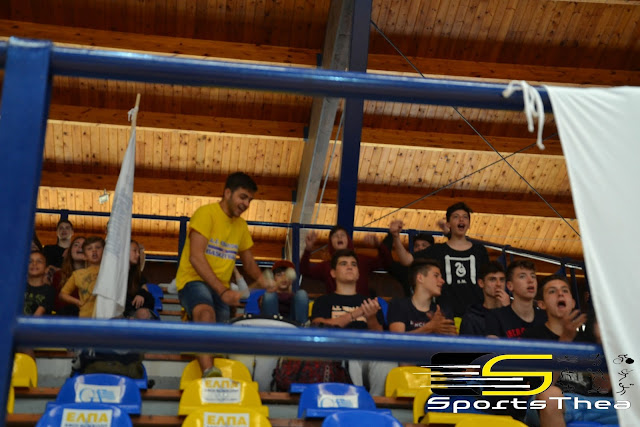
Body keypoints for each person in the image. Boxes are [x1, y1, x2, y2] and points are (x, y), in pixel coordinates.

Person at [175, 172, 275, 378]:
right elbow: (195, 257)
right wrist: (223, 291)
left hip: (220, 289)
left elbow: (249, 263)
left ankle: (211, 374)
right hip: (193, 280)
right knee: (206, 314)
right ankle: (208, 372)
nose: (246, 204)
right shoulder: (206, 214)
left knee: (217, 339)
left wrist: (266, 282)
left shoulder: (241, 226)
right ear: (227, 193)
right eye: (243, 197)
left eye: (250, 200)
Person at [522, 276, 618, 426]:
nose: (560, 294)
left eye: (565, 291)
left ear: (573, 302)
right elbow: (546, 383)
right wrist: (565, 340)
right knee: (551, 396)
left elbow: (603, 387)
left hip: (591, 403)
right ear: (542, 304)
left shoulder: (586, 339)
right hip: (550, 401)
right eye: (552, 291)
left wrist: (604, 344)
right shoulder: (533, 336)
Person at [310, 249, 394, 395]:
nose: (350, 267)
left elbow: (379, 336)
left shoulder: (369, 302)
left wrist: (371, 318)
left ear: (358, 273)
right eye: (343, 264)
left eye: (353, 264)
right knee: (350, 355)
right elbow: (318, 326)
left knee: (386, 359)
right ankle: (355, 401)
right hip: (337, 354)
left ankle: (377, 404)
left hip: (368, 353)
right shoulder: (323, 301)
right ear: (333, 273)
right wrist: (355, 314)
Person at [390, 202, 489, 317]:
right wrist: (396, 237)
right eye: (456, 217)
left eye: (465, 217)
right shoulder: (437, 250)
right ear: (448, 224)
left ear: (469, 224)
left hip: (476, 314)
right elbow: (407, 260)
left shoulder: (480, 250)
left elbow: (487, 280)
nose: (461, 219)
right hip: (446, 314)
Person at [300, 224, 393, 297]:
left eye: (342, 235)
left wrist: (379, 245)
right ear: (331, 243)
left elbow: (386, 263)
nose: (339, 237)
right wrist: (308, 249)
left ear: (348, 240)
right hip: (336, 308)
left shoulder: (362, 260)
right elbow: (304, 271)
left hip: (362, 307)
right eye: (335, 236)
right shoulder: (326, 266)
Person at [387, 258, 457, 335]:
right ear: (420, 278)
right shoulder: (398, 305)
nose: (442, 281)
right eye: (436, 276)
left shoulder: (443, 311)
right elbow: (397, 339)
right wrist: (429, 328)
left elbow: (453, 340)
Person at [485, 260, 546, 338]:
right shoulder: (496, 317)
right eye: (522, 276)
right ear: (510, 286)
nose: (530, 280)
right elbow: (492, 344)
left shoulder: (545, 317)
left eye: (533, 276)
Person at [459, 261, 511, 336]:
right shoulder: (471, 318)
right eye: (492, 279)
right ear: (481, 283)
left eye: (502, 280)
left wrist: (508, 311)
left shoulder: (514, 313)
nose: (498, 284)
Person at [58, 236, 105, 318]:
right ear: (84, 256)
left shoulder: (109, 271)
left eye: (98, 247)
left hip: (107, 316)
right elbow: (63, 294)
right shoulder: (77, 274)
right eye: (89, 248)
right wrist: (78, 302)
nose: (94, 250)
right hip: (86, 317)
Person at [382, 232, 435, 296]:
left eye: (424, 245)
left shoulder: (439, 269)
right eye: (416, 246)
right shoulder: (406, 270)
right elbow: (387, 262)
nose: (420, 248)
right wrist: (392, 234)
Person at [260, 260, 309, 325]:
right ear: (273, 278)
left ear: (292, 279)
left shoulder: (297, 297)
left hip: (294, 324)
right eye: (279, 275)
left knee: (301, 294)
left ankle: (302, 327)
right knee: (270, 296)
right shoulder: (268, 296)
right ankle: (271, 328)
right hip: (273, 325)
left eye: (287, 275)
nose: (283, 278)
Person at [51, 236, 85, 316]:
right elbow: (55, 304)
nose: (80, 247)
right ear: (70, 251)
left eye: (84, 245)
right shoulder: (59, 275)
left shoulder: (96, 276)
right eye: (76, 245)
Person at [123, 240, 155, 319]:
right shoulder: (114, 275)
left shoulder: (138, 276)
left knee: (143, 313)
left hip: (135, 314)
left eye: (138, 252)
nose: (138, 254)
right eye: (134, 251)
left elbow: (150, 301)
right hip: (120, 315)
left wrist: (142, 294)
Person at [23, 251, 56, 316]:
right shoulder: (19, 287)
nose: (34, 264)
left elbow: (38, 314)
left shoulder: (49, 291)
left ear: (46, 269)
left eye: (39, 261)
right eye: (30, 261)